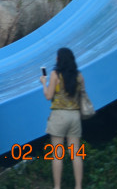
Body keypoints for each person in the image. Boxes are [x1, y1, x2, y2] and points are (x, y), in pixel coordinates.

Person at [40, 47, 86, 189]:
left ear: (59, 59)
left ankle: (57, 186)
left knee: (57, 154)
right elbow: (82, 95)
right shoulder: (79, 76)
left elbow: (48, 96)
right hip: (75, 116)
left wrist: (44, 83)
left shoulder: (55, 74)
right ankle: (78, 186)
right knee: (76, 154)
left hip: (59, 116)